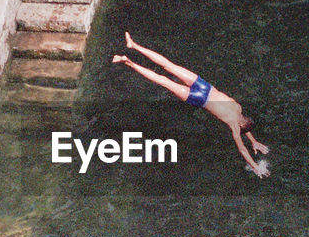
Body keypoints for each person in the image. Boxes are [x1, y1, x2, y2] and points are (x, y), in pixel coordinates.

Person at [113, 32, 270, 177]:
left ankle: (133, 45)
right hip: (199, 98)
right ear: (242, 126)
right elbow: (242, 149)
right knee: (163, 81)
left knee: (168, 65)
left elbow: (245, 125)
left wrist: (253, 140)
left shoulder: (238, 108)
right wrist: (254, 165)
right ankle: (128, 61)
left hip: (204, 86)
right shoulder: (235, 128)